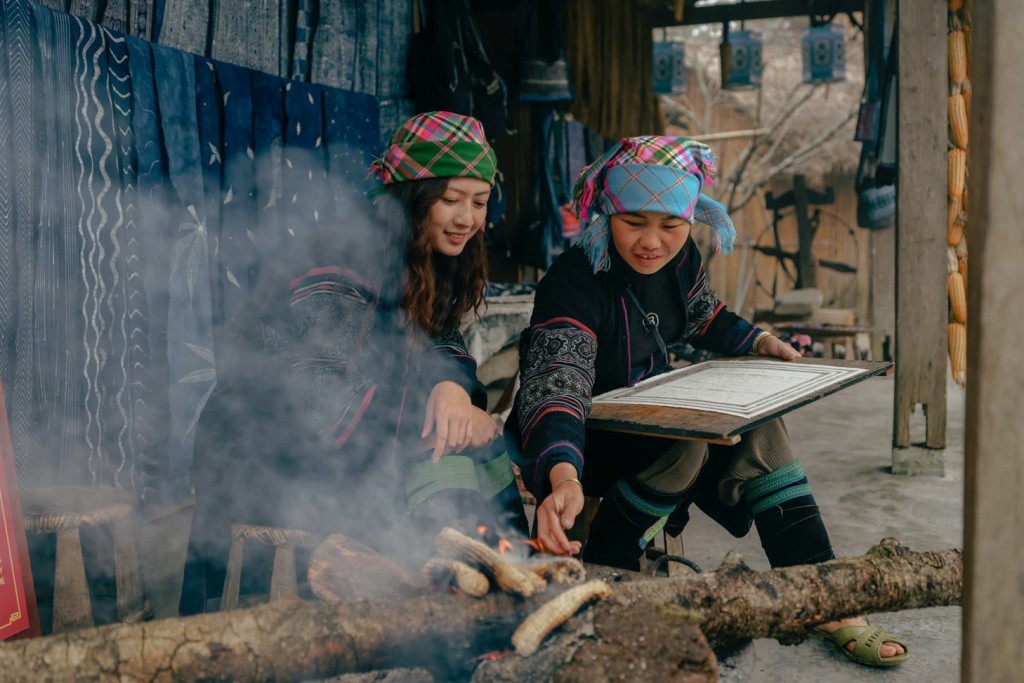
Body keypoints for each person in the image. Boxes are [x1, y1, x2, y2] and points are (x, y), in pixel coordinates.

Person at [504, 135, 907, 668]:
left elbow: (703, 316)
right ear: (607, 214)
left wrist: (762, 342)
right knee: (689, 445)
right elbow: (559, 383)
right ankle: (611, 556)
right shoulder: (574, 281)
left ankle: (825, 593)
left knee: (764, 430)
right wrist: (562, 476)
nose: (652, 242)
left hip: (652, 414)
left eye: (671, 226)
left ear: (691, 219)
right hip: (581, 442)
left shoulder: (679, 260)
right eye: (634, 223)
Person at [179, 111, 526, 615]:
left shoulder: (422, 257)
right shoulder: (344, 262)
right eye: (450, 200)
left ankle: (502, 576)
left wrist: (450, 388)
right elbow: (313, 404)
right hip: (267, 459)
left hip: (341, 448)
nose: (467, 218)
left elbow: (441, 342)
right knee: (438, 452)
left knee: (471, 441)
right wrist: (427, 418)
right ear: (413, 195)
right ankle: (468, 601)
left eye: (479, 201)